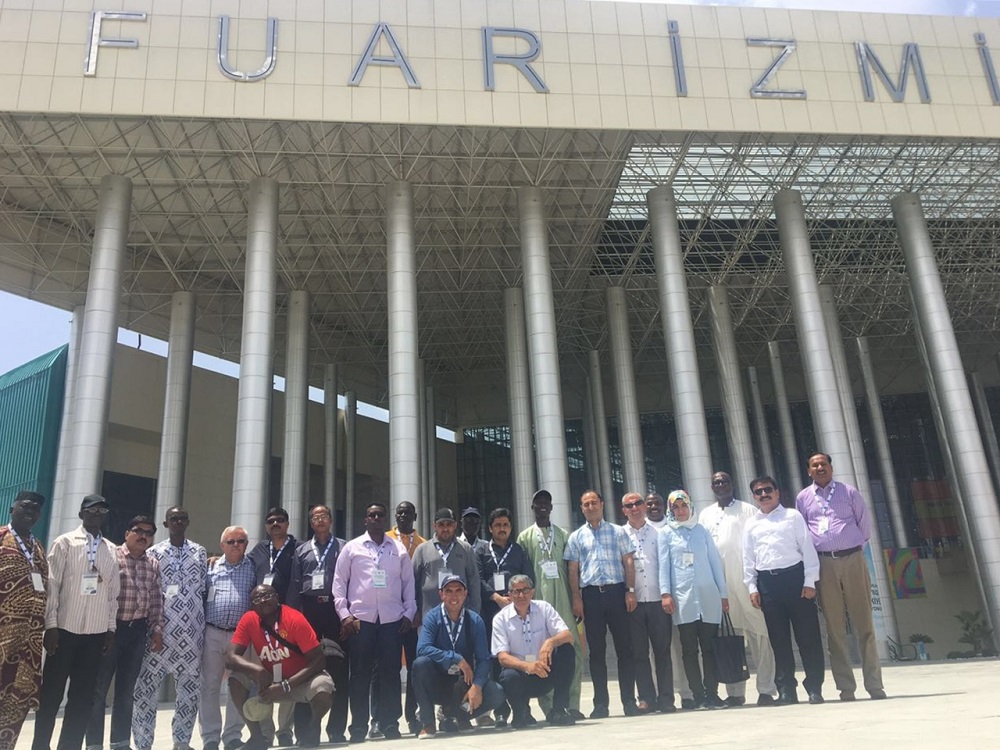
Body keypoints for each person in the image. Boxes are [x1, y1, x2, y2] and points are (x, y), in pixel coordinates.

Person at [796, 452, 887, 702]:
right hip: (824, 564)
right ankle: (846, 687)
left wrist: (852, 547)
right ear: (809, 471)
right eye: (814, 465)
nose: (820, 468)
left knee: (864, 623)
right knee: (834, 628)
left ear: (831, 467)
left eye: (823, 464)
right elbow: (803, 532)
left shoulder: (849, 492)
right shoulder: (803, 498)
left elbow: (864, 526)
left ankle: (874, 685)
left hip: (853, 559)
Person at [33, 495, 120, 750]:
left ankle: (69, 746)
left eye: (102, 511)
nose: (97, 514)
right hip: (64, 631)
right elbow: (52, 585)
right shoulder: (65, 543)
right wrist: (51, 625)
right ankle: (40, 745)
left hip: (95, 633)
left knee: (82, 698)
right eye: (92, 510)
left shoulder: (111, 549)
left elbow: (112, 593)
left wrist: (110, 629)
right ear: (82, 514)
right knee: (51, 695)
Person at [333, 502, 416, 743]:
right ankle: (358, 726)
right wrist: (344, 614)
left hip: (392, 619)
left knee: (391, 673)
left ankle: (390, 723)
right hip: (361, 621)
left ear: (385, 519)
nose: (376, 518)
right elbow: (339, 583)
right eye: (372, 515)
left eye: (380, 515)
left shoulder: (398, 549)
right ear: (365, 520)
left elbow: (408, 584)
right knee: (360, 674)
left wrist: (409, 612)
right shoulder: (352, 548)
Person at [744, 477, 825, 705]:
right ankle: (786, 689)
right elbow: (748, 558)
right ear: (754, 497)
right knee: (778, 641)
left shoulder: (793, 516)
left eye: (768, 490)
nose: (764, 494)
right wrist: (752, 587)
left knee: (808, 638)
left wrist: (810, 581)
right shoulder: (751, 524)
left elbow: (807, 548)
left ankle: (814, 688)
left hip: (795, 581)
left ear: (777, 492)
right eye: (758, 492)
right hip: (768, 585)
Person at [86, 514, 165, 750]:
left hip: (137, 633)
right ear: (127, 533)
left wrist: (157, 630)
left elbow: (156, 600)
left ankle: (120, 743)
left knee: (126, 692)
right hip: (110, 631)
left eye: (148, 533)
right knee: (98, 690)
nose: (143, 536)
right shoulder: (112, 556)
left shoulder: (152, 563)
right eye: (138, 531)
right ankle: (94, 744)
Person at [699, 472, 777, 706]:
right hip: (721, 588)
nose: (721, 485)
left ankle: (766, 689)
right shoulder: (705, 515)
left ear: (732, 484)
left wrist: (756, 583)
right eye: (716, 482)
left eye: (724, 481)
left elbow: (756, 545)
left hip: (747, 584)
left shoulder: (748, 510)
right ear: (712, 487)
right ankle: (735, 692)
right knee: (729, 638)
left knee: (760, 635)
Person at [132, 507, 207, 750]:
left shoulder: (199, 552)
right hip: (159, 632)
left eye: (182, 518)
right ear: (166, 523)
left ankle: (182, 741)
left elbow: (203, 589)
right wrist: (155, 627)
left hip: (192, 633)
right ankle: (143, 743)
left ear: (188, 522)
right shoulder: (153, 553)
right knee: (146, 689)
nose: (178, 522)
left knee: (189, 690)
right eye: (174, 519)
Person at [226, 585, 334, 750]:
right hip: (268, 681)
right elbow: (230, 657)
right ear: (252, 605)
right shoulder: (248, 619)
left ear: (277, 597)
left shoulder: (294, 618)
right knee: (236, 679)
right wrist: (257, 670)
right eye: (257, 599)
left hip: (298, 680)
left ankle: (313, 727)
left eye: (267, 595)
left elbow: (319, 660)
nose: (263, 601)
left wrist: (286, 685)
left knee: (323, 687)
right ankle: (257, 738)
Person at [564, 490, 639, 718]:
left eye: (593, 503)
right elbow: (573, 569)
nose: (590, 507)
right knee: (596, 653)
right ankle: (600, 705)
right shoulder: (576, 537)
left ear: (602, 504)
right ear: (581, 508)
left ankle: (629, 701)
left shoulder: (618, 531)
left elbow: (628, 561)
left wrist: (630, 591)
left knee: (625, 649)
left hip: (617, 593)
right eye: (586, 504)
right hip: (591, 597)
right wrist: (576, 597)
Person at [515, 490, 585, 720]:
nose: (542, 506)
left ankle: (571, 704)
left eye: (546, 503)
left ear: (551, 507)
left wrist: (576, 598)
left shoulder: (564, 535)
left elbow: (573, 569)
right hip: (538, 601)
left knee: (571, 648)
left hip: (563, 599)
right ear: (532, 508)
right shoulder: (525, 537)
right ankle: (550, 707)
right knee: (540, 651)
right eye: (538, 503)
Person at [410, 575, 505, 738]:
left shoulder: (475, 620)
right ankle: (428, 723)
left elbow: (483, 659)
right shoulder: (432, 617)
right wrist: (455, 658)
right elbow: (422, 649)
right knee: (420, 664)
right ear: (441, 594)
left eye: (458, 591)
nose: (454, 596)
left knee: (497, 693)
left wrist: (477, 686)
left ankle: (460, 715)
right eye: (449, 591)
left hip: (463, 682)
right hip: (438, 681)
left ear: (465, 593)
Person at [658, 490, 728, 710]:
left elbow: (715, 562)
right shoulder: (666, 534)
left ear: (690, 507)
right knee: (689, 651)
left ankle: (712, 694)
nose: (681, 511)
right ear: (671, 510)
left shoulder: (701, 530)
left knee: (709, 649)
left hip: (708, 597)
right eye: (676, 507)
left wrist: (723, 594)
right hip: (684, 599)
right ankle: (698, 696)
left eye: (684, 506)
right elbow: (664, 566)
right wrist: (665, 594)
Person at [287, 505, 349, 744]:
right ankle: (304, 732)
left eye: (324, 516)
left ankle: (336, 730)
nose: (320, 520)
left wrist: (347, 616)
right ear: (311, 522)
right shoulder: (301, 550)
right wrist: (293, 622)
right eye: (315, 517)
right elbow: (294, 587)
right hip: (309, 614)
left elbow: (351, 583)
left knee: (339, 669)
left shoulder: (343, 547)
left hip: (335, 611)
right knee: (305, 669)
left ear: (331, 520)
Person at [492, 574, 576, 729]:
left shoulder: (544, 608)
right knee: (508, 675)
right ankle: (520, 713)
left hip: (545, 671)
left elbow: (568, 636)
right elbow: (502, 657)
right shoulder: (500, 619)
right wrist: (527, 666)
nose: (521, 595)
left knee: (567, 650)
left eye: (525, 590)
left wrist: (550, 642)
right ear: (509, 594)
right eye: (516, 591)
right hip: (521, 676)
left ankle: (559, 710)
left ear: (532, 592)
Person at [200, 526, 256, 750]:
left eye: (240, 541)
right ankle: (210, 737)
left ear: (246, 544)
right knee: (210, 686)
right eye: (231, 541)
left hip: (240, 636)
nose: (236, 545)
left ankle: (232, 736)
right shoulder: (209, 567)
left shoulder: (253, 567)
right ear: (222, 545)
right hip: (212, 632)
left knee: (238, 684)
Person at [0, 491, 48, 750]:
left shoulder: (38, 547)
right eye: (25, 506)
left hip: (29, 645)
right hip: (3, 636)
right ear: (12, 508)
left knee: (16, 702)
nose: (30, 512)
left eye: (36, 509)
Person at [247, 508, 299, 746]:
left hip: (288, 623)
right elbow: (241, 566)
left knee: (289, 674)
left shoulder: (299, 548)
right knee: (264, 676)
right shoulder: (258, 551)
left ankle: (285, 730)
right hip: (262, 625)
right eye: (270, 521)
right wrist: (217, 559)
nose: (275, 524)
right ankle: (266, 731)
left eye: (280, 520)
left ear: (287, 524)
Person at [621, 492, 674, 713]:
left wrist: (666, 594)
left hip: (657, 600)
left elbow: (665, 565)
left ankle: (666, 698)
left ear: (643, 506)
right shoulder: (619, 534)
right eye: (629, 505)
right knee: (639, 653)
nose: (634, 508)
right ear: (624, 510)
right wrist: (628, 592)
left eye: (638, 503)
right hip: (633, 602)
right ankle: (646, 698)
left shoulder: (659, 533)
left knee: (662, 652)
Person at [385, 501, 426, 736]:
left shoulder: (424, 544)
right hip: (389, 614)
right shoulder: (386, 540)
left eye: (407, 513)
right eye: (399, 512)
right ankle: (385, 719)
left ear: (415, 516)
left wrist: (417, 611)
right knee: (386, 667)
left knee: (414, 667)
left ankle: (413, 716)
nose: (403, 516)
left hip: (413, 617)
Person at [647, 493, 692, 710]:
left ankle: (687, 693)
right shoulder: (638, 529)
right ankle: (660, 695)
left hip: (677, 597)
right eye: (649, 504)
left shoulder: (675, 526)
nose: (653, 507)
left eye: (657, 503)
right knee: (655, 651)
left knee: (680, 646)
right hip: (650, 599)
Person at [412, 508, 481, 617]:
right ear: (434, 526)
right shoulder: (422, 550)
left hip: (460, 616)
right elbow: (412, 583)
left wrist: (474, 612)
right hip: (429, 615)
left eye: (449, 524)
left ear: (455, 525)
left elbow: (474, 582)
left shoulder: (466, 549)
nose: (445, 528)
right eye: (441, 525)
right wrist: (414, 611)